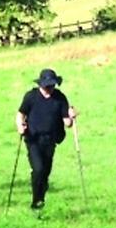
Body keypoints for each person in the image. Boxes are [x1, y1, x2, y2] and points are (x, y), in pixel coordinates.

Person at [16, 69, 78, 210]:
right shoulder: (31, 97)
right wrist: (20, 126)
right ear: (41, 85)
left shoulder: (60, 98)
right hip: (33, 139)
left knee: (45, 172)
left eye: (52, 86)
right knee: (38, 169)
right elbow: (20, 114)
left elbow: (67, 123)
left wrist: (71, 116)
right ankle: (36, 201)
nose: (50, 89)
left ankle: (41, 197)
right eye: (47, 86)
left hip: (50, 140)